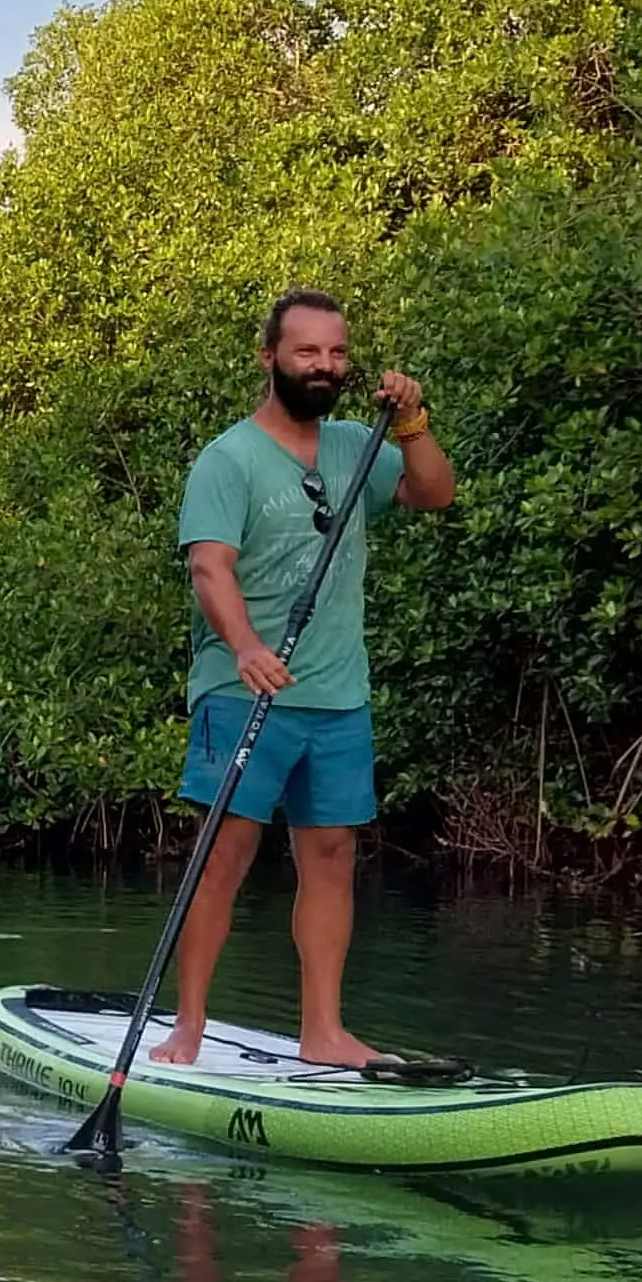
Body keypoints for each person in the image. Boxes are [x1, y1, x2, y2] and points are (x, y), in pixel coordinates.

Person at [149, 289, 453, 1069]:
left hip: (337, 697)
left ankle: (324, 1033)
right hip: (244, 690)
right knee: (226, 854)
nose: (324, 366)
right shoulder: (229, 459)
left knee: (330, 857)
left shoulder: (358, 444)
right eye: (307, 352)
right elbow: (208, 569)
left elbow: (433, 493)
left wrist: (413, 423)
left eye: (337, 353)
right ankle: (186, 1027)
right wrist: (246, 647)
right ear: (270, 359)